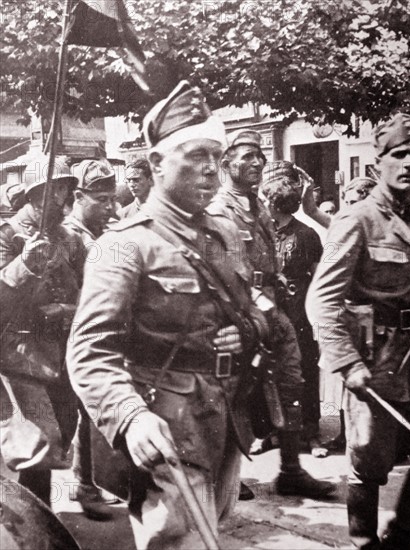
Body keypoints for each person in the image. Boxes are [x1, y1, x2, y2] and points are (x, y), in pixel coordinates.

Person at [67, 81, 270, 550]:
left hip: (224, 417)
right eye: (195, 156)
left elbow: (258, 307)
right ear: (157, 163)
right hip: (165, 424)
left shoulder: (223, 235)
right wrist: (131, 416)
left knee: (210, 533)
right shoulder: (121, 245)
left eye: (215, 159)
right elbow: (89, 353)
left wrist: (249, 329)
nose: (210, 172)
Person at [306, 113, 410, 550]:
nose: (408, 163)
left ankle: (400, 537)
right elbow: (322, 299)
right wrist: (346, 362)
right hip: (375, 360)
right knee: (369, 462)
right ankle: (364, 543)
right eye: (398, 155)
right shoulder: (357, 219)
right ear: (377, 163)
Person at [208, 130, 336, 498]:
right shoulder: (219, 210)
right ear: (226, 163)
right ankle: (230, 478)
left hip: (270, 307)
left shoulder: (258, 207)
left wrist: (277, 281)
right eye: (247, 156)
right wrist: (259, 306)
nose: (257, 162)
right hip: (237, 313)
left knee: (291, 382)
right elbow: (225, 272)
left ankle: (291, 470)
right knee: (236, 392)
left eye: (260, 156)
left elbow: (265, 260)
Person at [0, 155, 84, 505]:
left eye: (66, 187)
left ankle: (33, 515)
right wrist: (24, 264)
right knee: (35, 443)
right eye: (55, 187)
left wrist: (68, 308)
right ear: (35, 194)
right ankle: (28, 525)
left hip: (61, 352)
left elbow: (86, 291)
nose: (62, 196)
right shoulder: (8, 236)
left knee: (61, 433)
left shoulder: (69, 238)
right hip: (20, 354)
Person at [260, 161, 328, 458]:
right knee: (269, 373)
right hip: (269, 315)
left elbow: (319, 278)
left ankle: (311, 434)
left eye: (267, 199)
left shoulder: (307, 234)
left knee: (305, 373)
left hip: (300, 316)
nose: (264, 203)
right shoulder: (262, 232)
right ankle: (273, 432)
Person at [63, 159, 118, 520]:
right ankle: (83, 484)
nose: (111, 207)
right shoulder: (68, 238)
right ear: (79, 196)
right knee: (81, 413)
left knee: (89, 412)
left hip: (99, 334)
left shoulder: (100, 233)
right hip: (70, 339)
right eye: (101, 199)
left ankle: (91, 480)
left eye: (112, 199)